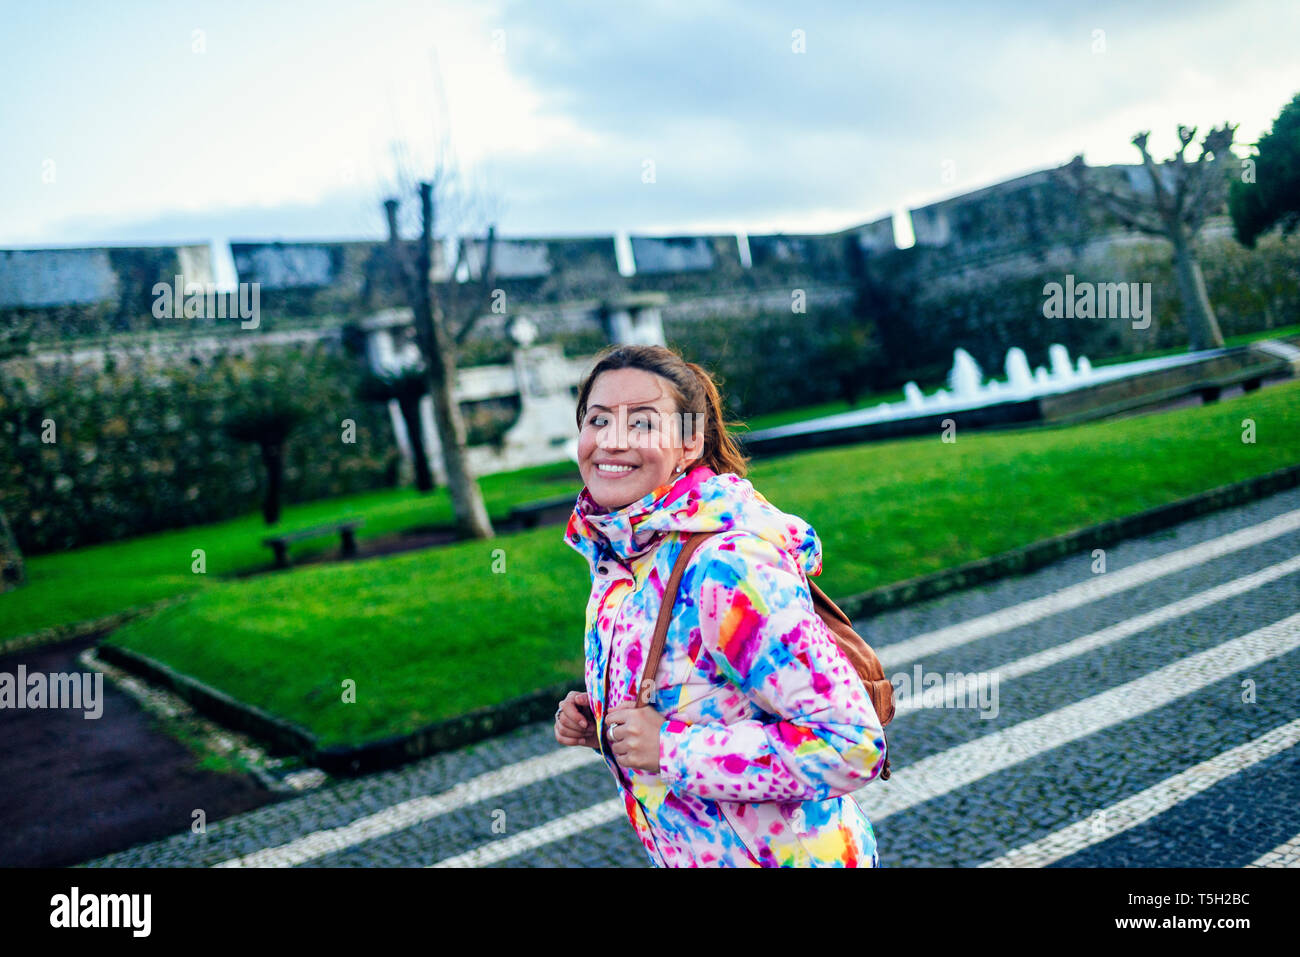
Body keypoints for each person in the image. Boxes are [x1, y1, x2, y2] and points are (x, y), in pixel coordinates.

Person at [554, 343, 888, 867]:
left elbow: (851, 744)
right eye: (598, 419)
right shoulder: (626, 556)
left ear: (689, 445)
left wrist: (669, 748)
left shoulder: (728, 564)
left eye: (641, 423)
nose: (611, 441)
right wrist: (601, 718)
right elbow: (700, 693)